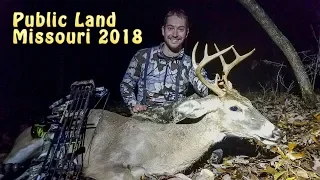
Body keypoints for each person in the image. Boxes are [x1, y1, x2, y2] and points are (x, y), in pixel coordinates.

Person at [120, 8, 213, 113]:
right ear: (163, 30)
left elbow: (205, 89)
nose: (175, 34)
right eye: (170, 28)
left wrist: (217, 85)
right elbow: (126, 84)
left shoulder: (191, 64)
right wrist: (133, 104)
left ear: (186, 33)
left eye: (181, 29)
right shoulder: (143, 56)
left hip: (173, 123)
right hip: (143, 119)